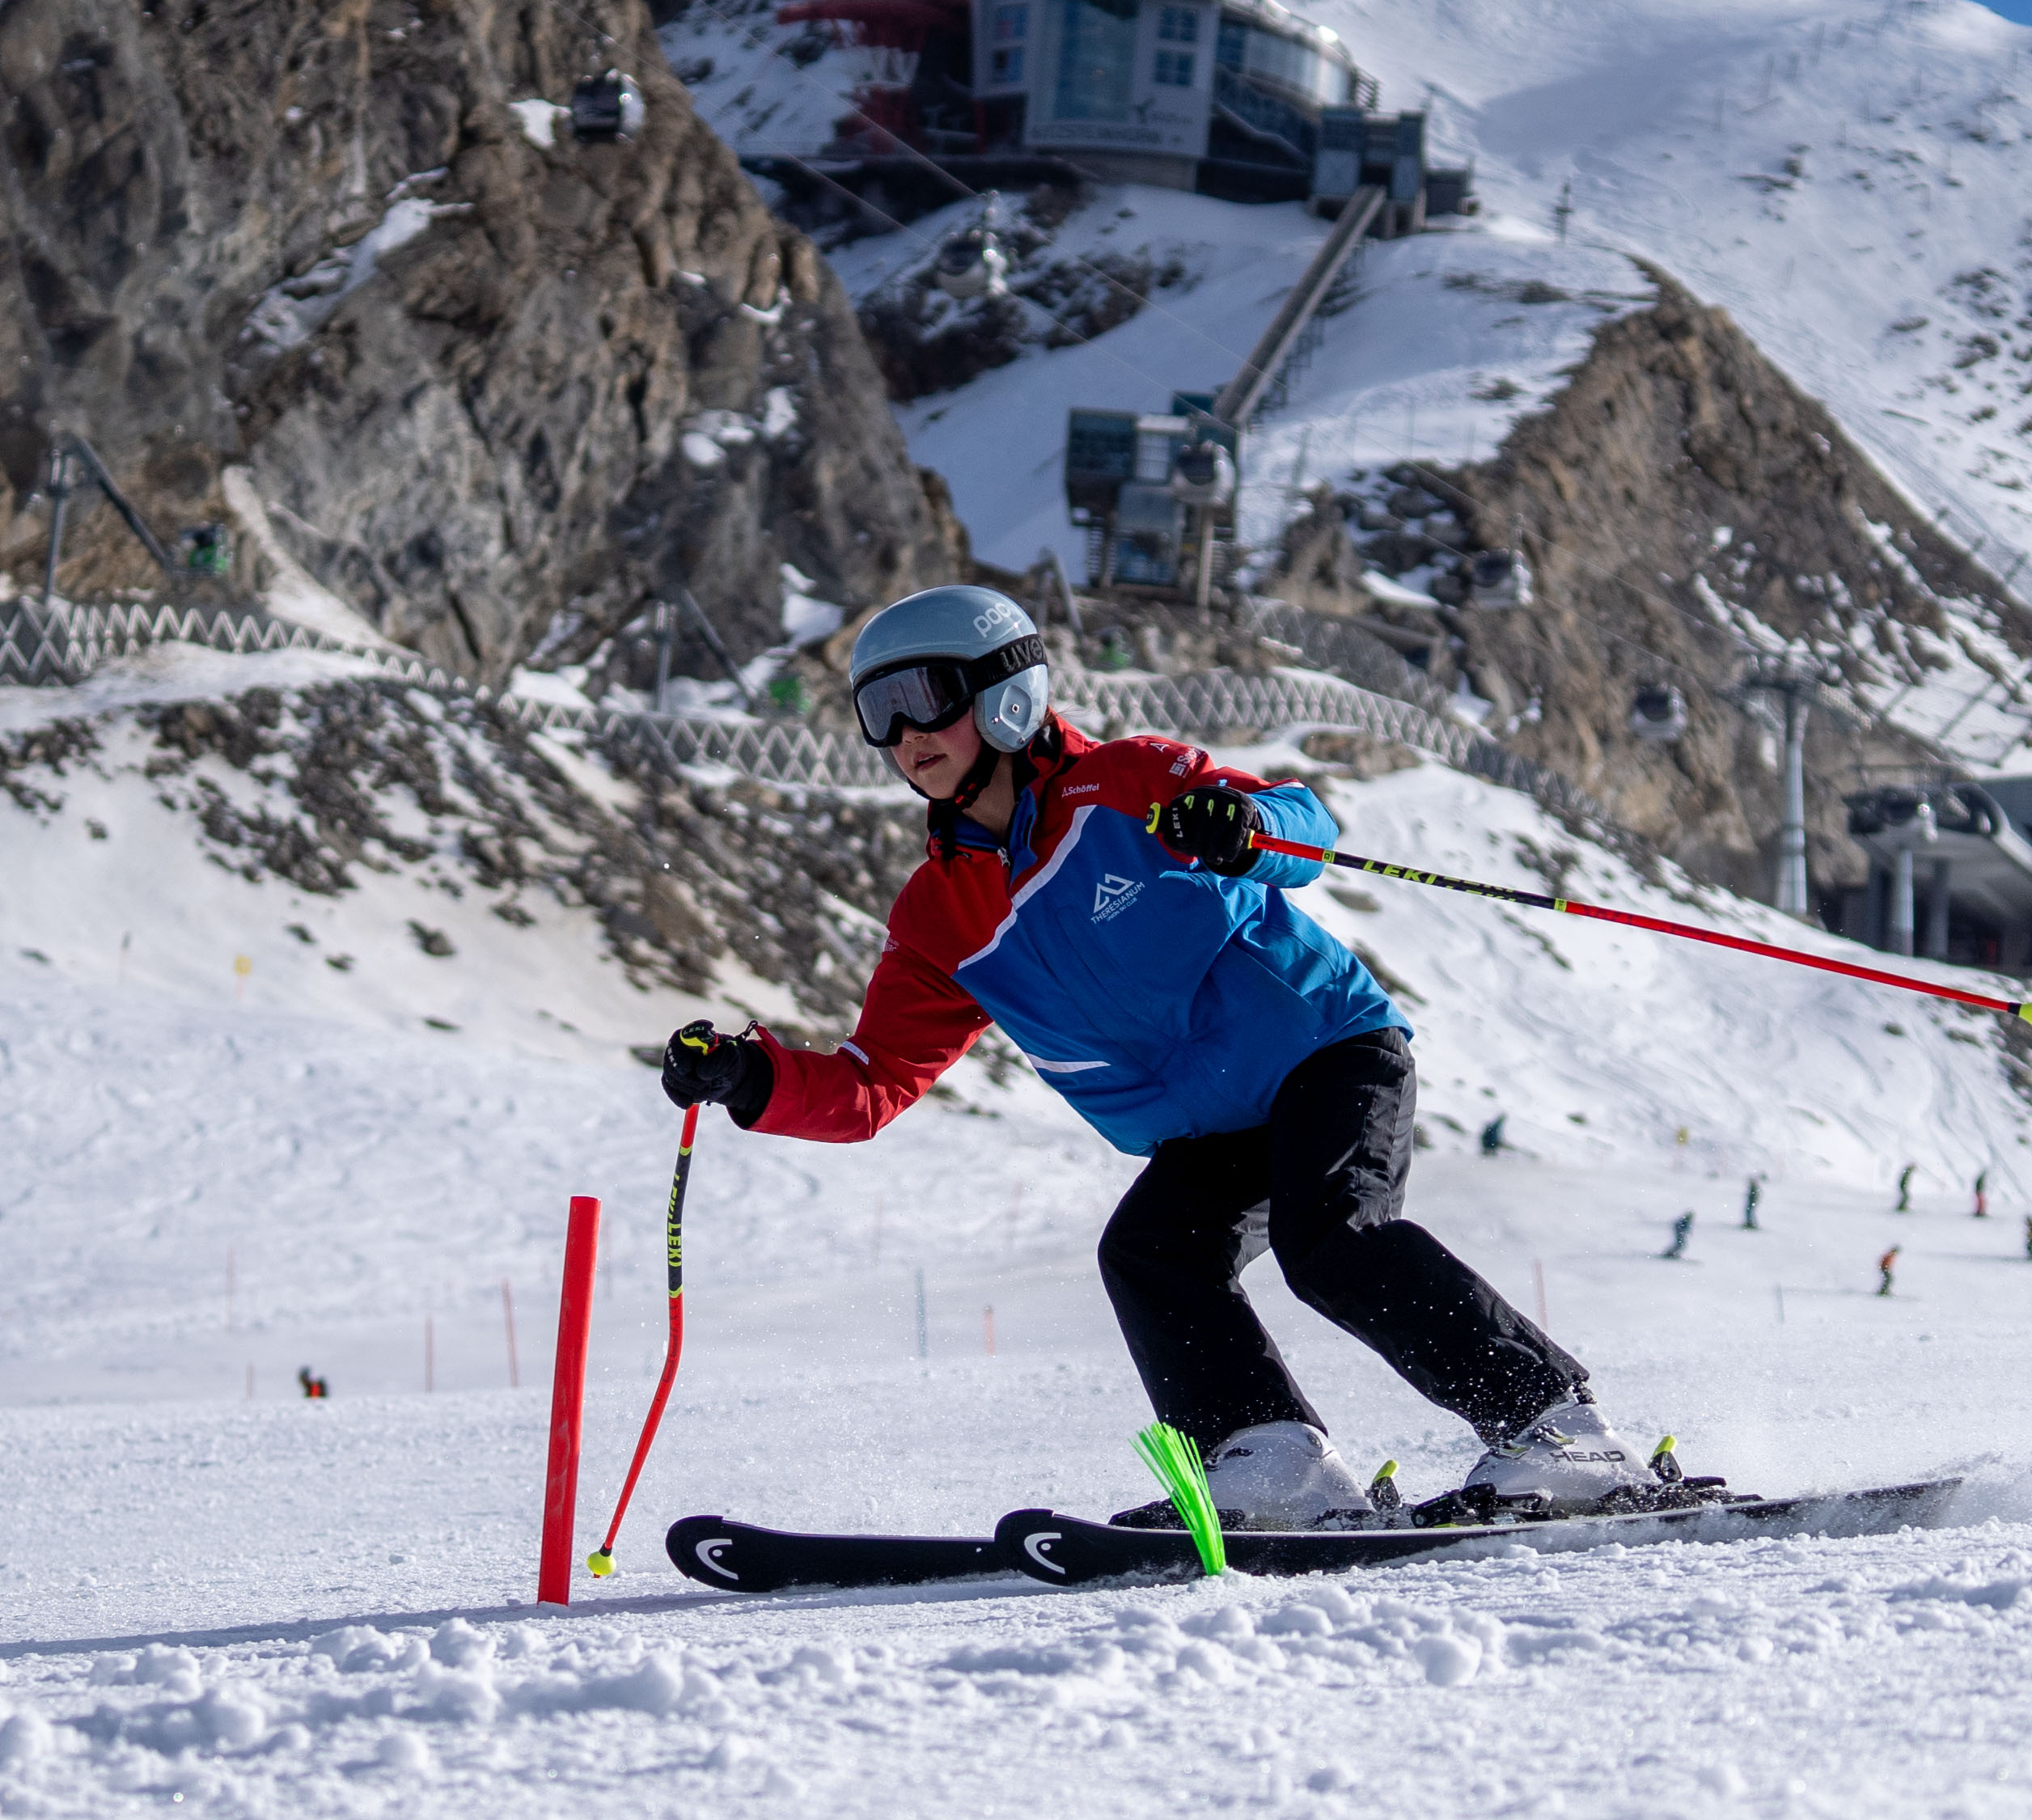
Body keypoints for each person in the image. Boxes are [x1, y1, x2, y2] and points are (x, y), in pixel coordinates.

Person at [653, 585, 1647, 1527]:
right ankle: (1275, 1462)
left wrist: (1243, 827)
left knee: (1331, 1238)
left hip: (1326, 1051)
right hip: (1210, 1127)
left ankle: (1562, 1431)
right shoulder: (940, 914)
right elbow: (872, 1083)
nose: (907, 733)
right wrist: (753, 1078)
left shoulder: (1128, 783)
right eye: (880, 712)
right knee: (1151, 1252)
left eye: (926, 696)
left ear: (1004, 693)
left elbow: (1305, 827)